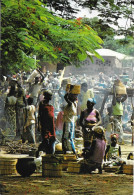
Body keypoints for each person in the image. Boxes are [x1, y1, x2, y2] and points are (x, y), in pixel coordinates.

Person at [36, 90, 56, 157]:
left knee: (52, 140)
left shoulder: (51, 105)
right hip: (45, 125)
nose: (51, 97)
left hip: (51, 125)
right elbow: (39, 115)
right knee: (45, 140)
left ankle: (49, 154)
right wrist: (38, 125)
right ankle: (39, 151)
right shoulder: (42, 104)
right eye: (50, 96)